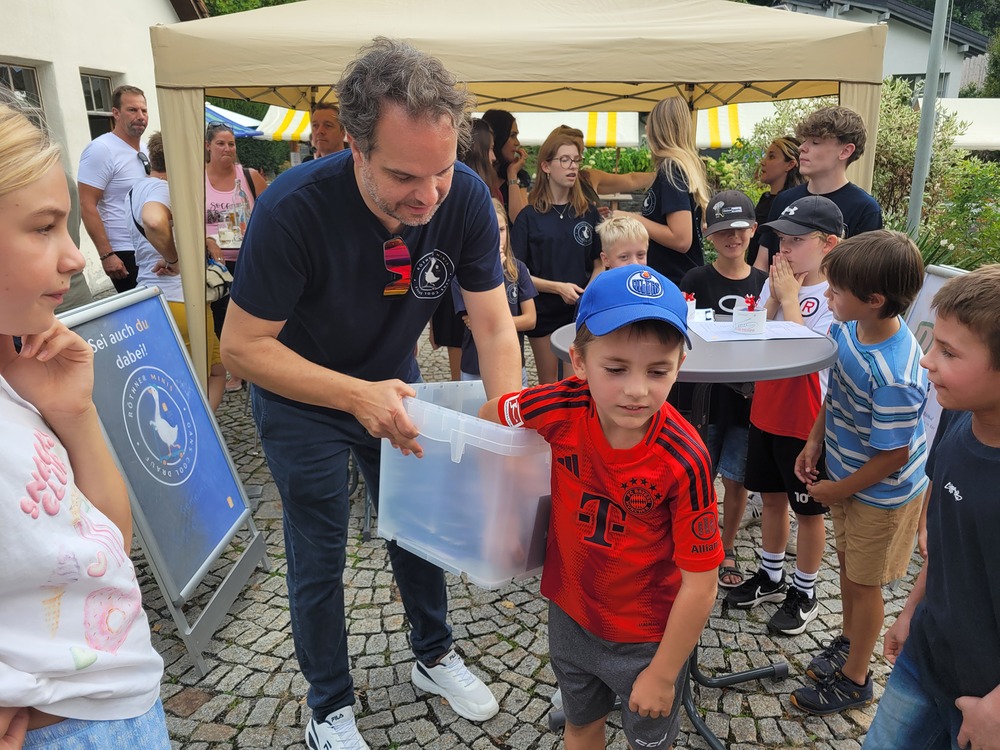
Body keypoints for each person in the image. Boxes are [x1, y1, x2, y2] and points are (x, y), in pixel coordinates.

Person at [220, 37, 522, 750]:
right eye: (403, 176)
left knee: (419, 528)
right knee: (319, 551)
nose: (428, 195)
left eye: (440, 172)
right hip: (301, 396)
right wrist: (354, 396)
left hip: (394, 384)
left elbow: (492, 324)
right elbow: (241, 348)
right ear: (354, 147)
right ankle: (328, 704)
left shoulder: (465, 197)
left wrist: (508, 426)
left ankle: (433, 656)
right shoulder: (292, 210)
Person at [478, 265, 722, 750]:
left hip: (647, 637)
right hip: (570, 613)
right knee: (580, 724)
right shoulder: (558, 404)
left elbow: (701, 583)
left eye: (658, 371)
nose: (637, 390)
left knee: (648, 741)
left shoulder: (685, 457)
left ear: (679, 365)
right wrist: (510, 507)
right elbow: (491, 417)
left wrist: (663, 673)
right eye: (616, 369)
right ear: (579, 361)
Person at [0, 94, 169, 750]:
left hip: (120, 704)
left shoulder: (18, 378)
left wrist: (75, 414)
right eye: (45, 228)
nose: (75, 258)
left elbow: (106, 547)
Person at [786, 230, 927, 714]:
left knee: (865, 585)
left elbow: (893, 456)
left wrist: (837, 489)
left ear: (874, 300)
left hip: (881, 494)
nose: (827, 296)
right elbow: (837, 393)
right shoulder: (847, 328)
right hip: (847, 475)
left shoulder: (895, 377)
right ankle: (850, 641)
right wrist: (815, 440)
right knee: (848, 568)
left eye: (836, 290)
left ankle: (856, 678)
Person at [863, 265, 1000, 750]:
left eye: (949, 352)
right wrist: (911, 612)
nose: (926, 361)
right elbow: (946, 543)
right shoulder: (957, 420)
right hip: (925, 659)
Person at [724, 195, 841, 636]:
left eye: (796, 241)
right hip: (767, 409)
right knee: (770, 497)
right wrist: (772, 300)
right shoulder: (778, 282)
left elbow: (810, 357)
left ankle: (805, 590)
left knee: (807, 510)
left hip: (805, 421)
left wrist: (790, 299)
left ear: (828, 243)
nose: (784, 249)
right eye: (781, 240)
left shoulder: (835, 295)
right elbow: (752, 332)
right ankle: (771, 575)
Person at [680, 190, 767, 589]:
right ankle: (695, 544)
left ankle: (726, 545)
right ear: (709, 234)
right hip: (704, 400)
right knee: (698, 477)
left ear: (753, 230)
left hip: (748, 403)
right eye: (723, 230)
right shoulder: (696, 279)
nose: (732, 237)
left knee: (737, 480)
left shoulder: (764, 285)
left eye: (739, 229)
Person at [126, 132, 227, 411]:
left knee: (214, 370)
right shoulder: (165, 190)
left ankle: (199, 429)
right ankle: (197, 430)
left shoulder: (136, 189)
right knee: (200, 380)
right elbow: (154, 220)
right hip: (182, 300)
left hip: (150, 298)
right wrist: (174, 260)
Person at [512, 128, 603, 385]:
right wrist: (557, 287)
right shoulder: (528, 217)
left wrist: (587, 293)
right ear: (546, 166)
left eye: (576, 160)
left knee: (577, 383)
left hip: (579, 313)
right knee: (550, 384)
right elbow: (518, 273)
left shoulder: (588, 213)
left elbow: (599, 263)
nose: (572, 166)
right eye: (564, 160)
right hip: (543, 313)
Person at [758, 107, 881, 271]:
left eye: (815, 142)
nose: (802, 148)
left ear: (845, 151)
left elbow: (865, 275)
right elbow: (762, 264)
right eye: (804, 140)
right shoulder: (784, 200)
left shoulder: (865, 209)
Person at [612, 96, 710, 287]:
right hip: (679, 281)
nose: (646, 129)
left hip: (674, 283)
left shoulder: (671, 170)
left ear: (659, 130)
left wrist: (631, 217)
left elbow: (681, 239)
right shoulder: (679, 168)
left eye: (650, 124)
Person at [204, 122, 268, 390]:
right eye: (220, 143)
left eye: (231, 143)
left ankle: (249, 368)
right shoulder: (198, 180)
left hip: (248, 259)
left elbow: (269, 214)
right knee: (220, 316)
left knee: (250, 313)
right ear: (208, 146)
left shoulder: (249, 176)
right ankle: (232, 368)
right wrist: (205, 241)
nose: (227, 149)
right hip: (215, 264)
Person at [454, 198, 537, 385]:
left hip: (514, 364)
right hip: (475, 367)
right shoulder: (463, 273)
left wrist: (495, 324)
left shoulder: (518, 269)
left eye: (501, 230)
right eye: (490, 230)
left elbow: (531, 319)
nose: (497, 237)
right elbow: (477, 321)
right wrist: (492, 272)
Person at [77, 85, 149, 294]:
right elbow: (86, 204)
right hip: (124, 250)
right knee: (141, 310)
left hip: (150, 246)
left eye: (144, 110)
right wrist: (107, 254)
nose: (140, 116)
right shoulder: (101, 149)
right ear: (116, 113)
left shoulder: (145, 148)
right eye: (132, 110)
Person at [553, 126, 656, 205]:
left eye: (581, 152)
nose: (579, 158)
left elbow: (631, 180)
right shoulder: (546, 194)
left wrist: (660, 174)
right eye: (566, 158)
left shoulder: (588, 177)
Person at [749, 136, 804, 271]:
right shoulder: (765, 199)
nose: (763, 162)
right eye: (765, 156)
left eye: (771, 157)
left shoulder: (794, 205)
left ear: (790, 164)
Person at [480, 109, 529, 222]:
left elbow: (520, 220)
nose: (517, 143)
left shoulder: (519, 176)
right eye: (512, 135)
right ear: (497, 137)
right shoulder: (476, 173)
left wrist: (512, 174)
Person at [591, 214, 648, 282]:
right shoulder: (601, 286)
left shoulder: (653, 284)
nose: (634, 263)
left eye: (640, 255)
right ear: (606, 259)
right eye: (624, 257)